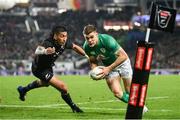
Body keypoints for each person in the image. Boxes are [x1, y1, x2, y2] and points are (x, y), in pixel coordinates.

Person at [17, 25, 86, 113]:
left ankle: (23, 89)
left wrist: (86, 56)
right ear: (55, 36)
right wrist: (45, 51)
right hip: (39, 68)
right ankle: (74, 107)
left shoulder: (64, 43)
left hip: (48, 67)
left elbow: (75, 47)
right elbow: (37, 51)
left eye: (66, 36)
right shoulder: (48, 43)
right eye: (62, 36)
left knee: (45, 83)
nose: (65, 39)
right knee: (63, 87)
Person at [82, 24, 148, 113]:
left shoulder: (107, 40)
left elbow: (123, 56)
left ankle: (138, 105)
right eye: (87, 38)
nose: (90, 40)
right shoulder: (86, 47)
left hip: (122, 63)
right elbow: (93, 60)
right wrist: (95, 71)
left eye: (91, 37)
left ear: (96, 34)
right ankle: (139, 106)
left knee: (129, 92)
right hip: (109, 67)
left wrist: (108, 69)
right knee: (117, 93)